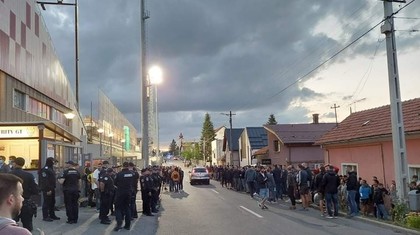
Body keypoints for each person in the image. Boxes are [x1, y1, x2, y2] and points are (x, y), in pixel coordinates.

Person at [10, 157, 39, 231]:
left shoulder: (8, 175)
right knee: (27, 225)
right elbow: (36, 190)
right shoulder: (29, 175)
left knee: (11, 225)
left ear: (15, 164)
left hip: (11, 203)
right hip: (25, 202)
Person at [113, 162, 134, 231]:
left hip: (120, 192)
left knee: (118, 207)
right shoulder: (131, 174)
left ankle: (119, 223)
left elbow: (115, 183)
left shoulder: (119, 174)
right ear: (128, 166)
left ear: (122, 166)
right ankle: (127, 225)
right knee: (127, 207)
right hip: (128, 192)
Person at [39, 157, 60, 221]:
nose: (54, 163)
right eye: (53, 162)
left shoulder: (50, 169)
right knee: (46, 202)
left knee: (52, 202)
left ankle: (52, 215)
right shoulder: (45, 169)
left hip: (52, 188)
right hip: (47, 189)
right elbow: (45, 181)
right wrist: (48, 189)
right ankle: (45, 216)